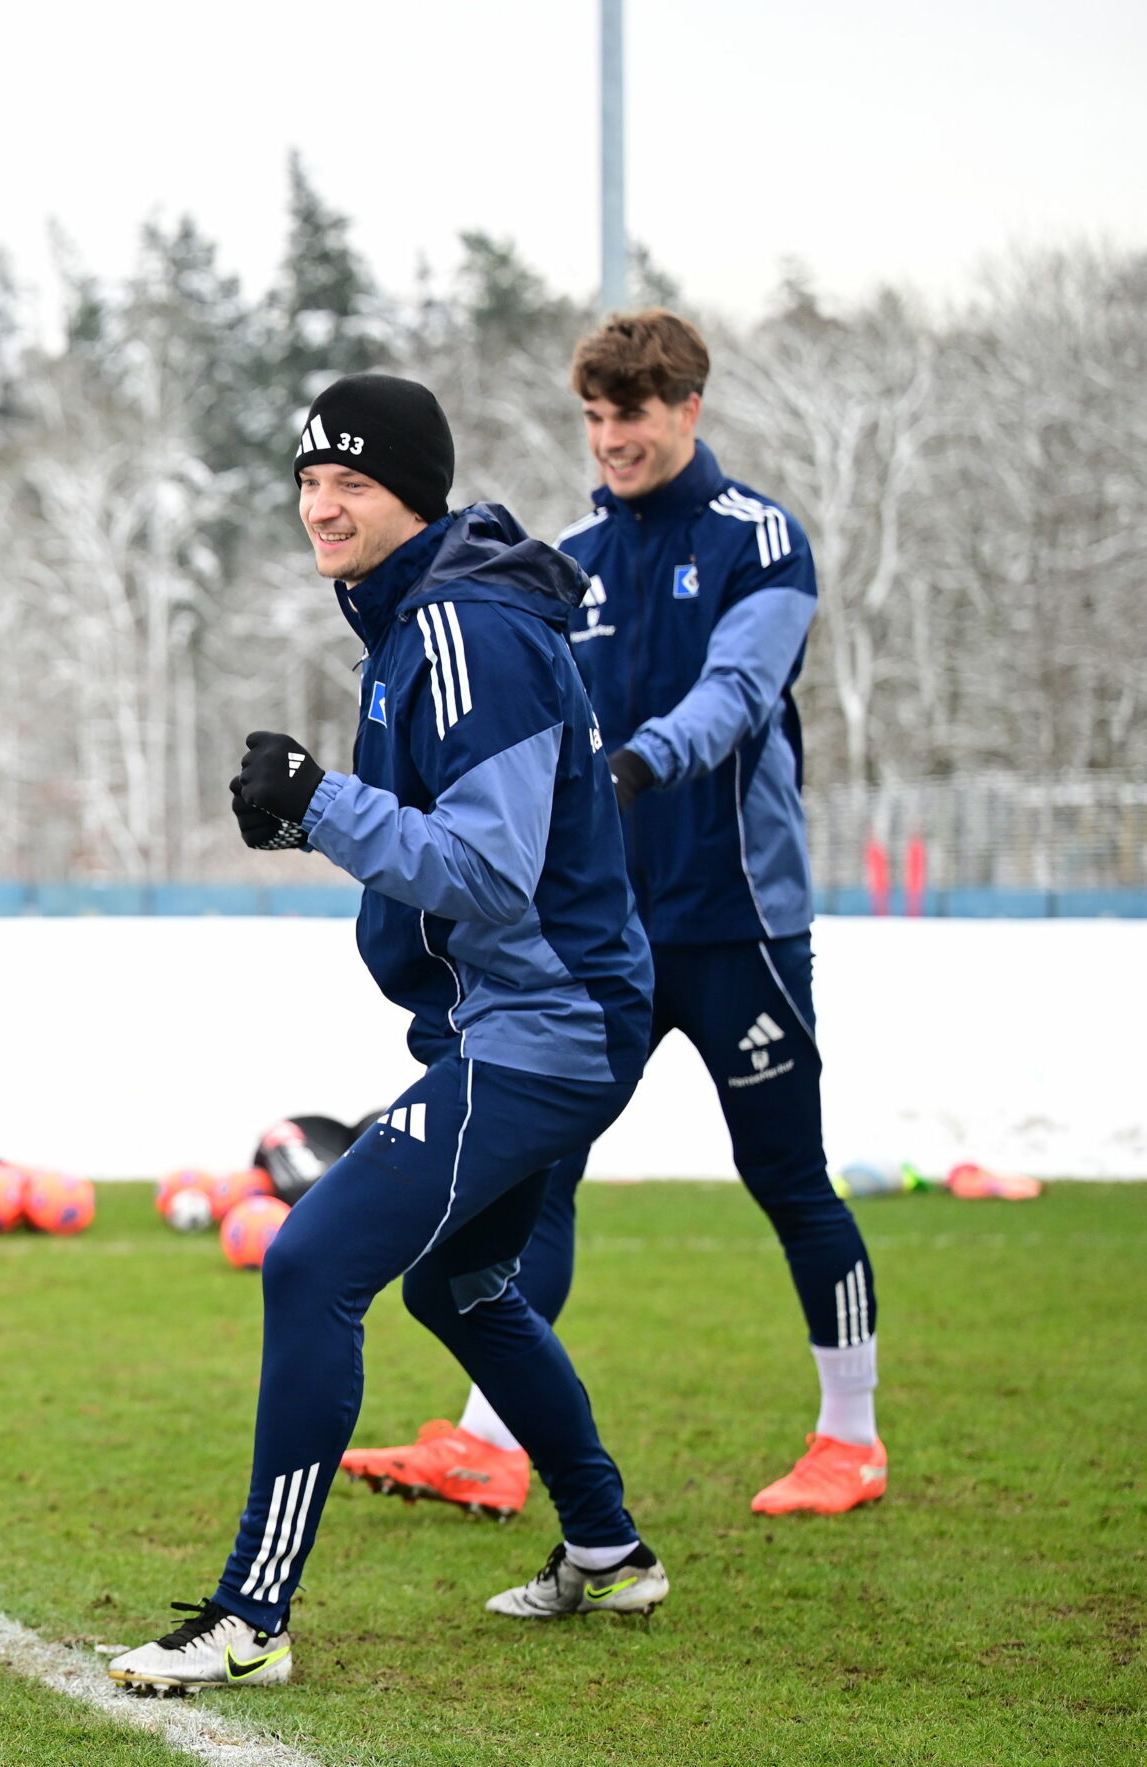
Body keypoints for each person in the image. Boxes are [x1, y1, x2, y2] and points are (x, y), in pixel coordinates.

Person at [109, 375, 668, 1694]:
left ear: (413, 489)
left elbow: (489, 872)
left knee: (312, 1262)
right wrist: (326, 814)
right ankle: (609, 1543)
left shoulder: (465, 627)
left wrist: (321, 803)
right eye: (307, 482)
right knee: (458, 1281)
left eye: (349, 480)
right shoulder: (424, 621)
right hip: (530, 1018)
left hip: (552, 1026)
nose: (321, 504)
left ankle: (251, 1614)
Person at [341, 311, 884, 1521]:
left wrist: (629, 764)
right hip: (606, 943)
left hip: (740, 923)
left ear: (686, 407)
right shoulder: (570, 550)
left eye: (628, 415)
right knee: (540, 1178)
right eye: (592, 417)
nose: (609, 439)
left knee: (788, 1174)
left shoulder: (761, 540)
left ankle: (849, 1435)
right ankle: (489, 1443)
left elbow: (739, 693)